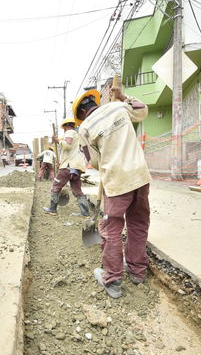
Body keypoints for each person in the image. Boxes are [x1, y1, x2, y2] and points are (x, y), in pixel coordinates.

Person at [73, 87, 150, 299]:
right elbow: (142, 110)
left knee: (111, 228)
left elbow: (94, 161)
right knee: (138, 223)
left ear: (80, 114)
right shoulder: (118, 106)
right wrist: (124, 97)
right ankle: (137, 272)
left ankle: (113, 279)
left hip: (117, 182)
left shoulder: (85, 128)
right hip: (140, 176)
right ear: (95, 102)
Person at [42, 118, 90, 217]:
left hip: (68, 166)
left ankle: (52, 209)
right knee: (77, 190)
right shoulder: (77, 135)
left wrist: (57, 141)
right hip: (76, 167)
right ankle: (85, 212)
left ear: (65, 126)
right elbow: (69, 149)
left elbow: (67, 145)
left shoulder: (69, 132)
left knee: (55, 186)